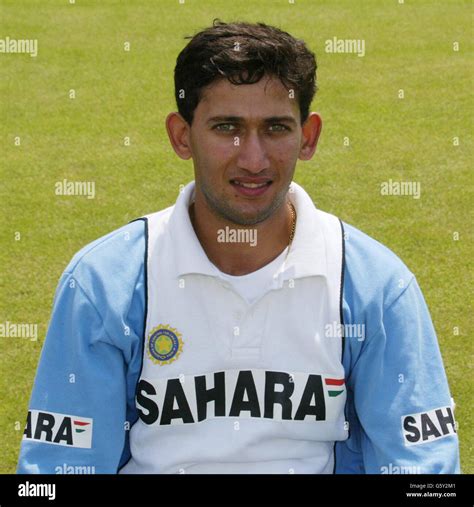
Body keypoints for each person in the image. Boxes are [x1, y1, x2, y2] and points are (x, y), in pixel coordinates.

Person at [17, 20, 460, 474]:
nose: (253, 159)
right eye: (227, 127)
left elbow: (422, 472)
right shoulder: (103, 284)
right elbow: (59, 471)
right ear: (181, 136)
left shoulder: (377, 287)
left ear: (308, 137)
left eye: (275, 128)